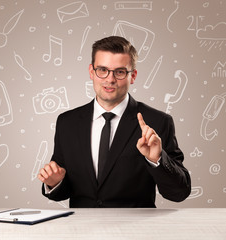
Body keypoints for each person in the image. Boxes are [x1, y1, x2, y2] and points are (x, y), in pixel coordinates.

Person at [38, 36, 191, 208]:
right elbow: (63, 190)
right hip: (81, 230)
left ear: (132, 76)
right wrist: (54, 182)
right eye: (102, 70)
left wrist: (157, 159)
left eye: (119, 72)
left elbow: (179, 193)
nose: (110, 79)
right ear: (91, 72)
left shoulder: (158, 122)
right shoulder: (67, 122)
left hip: (134, 231)